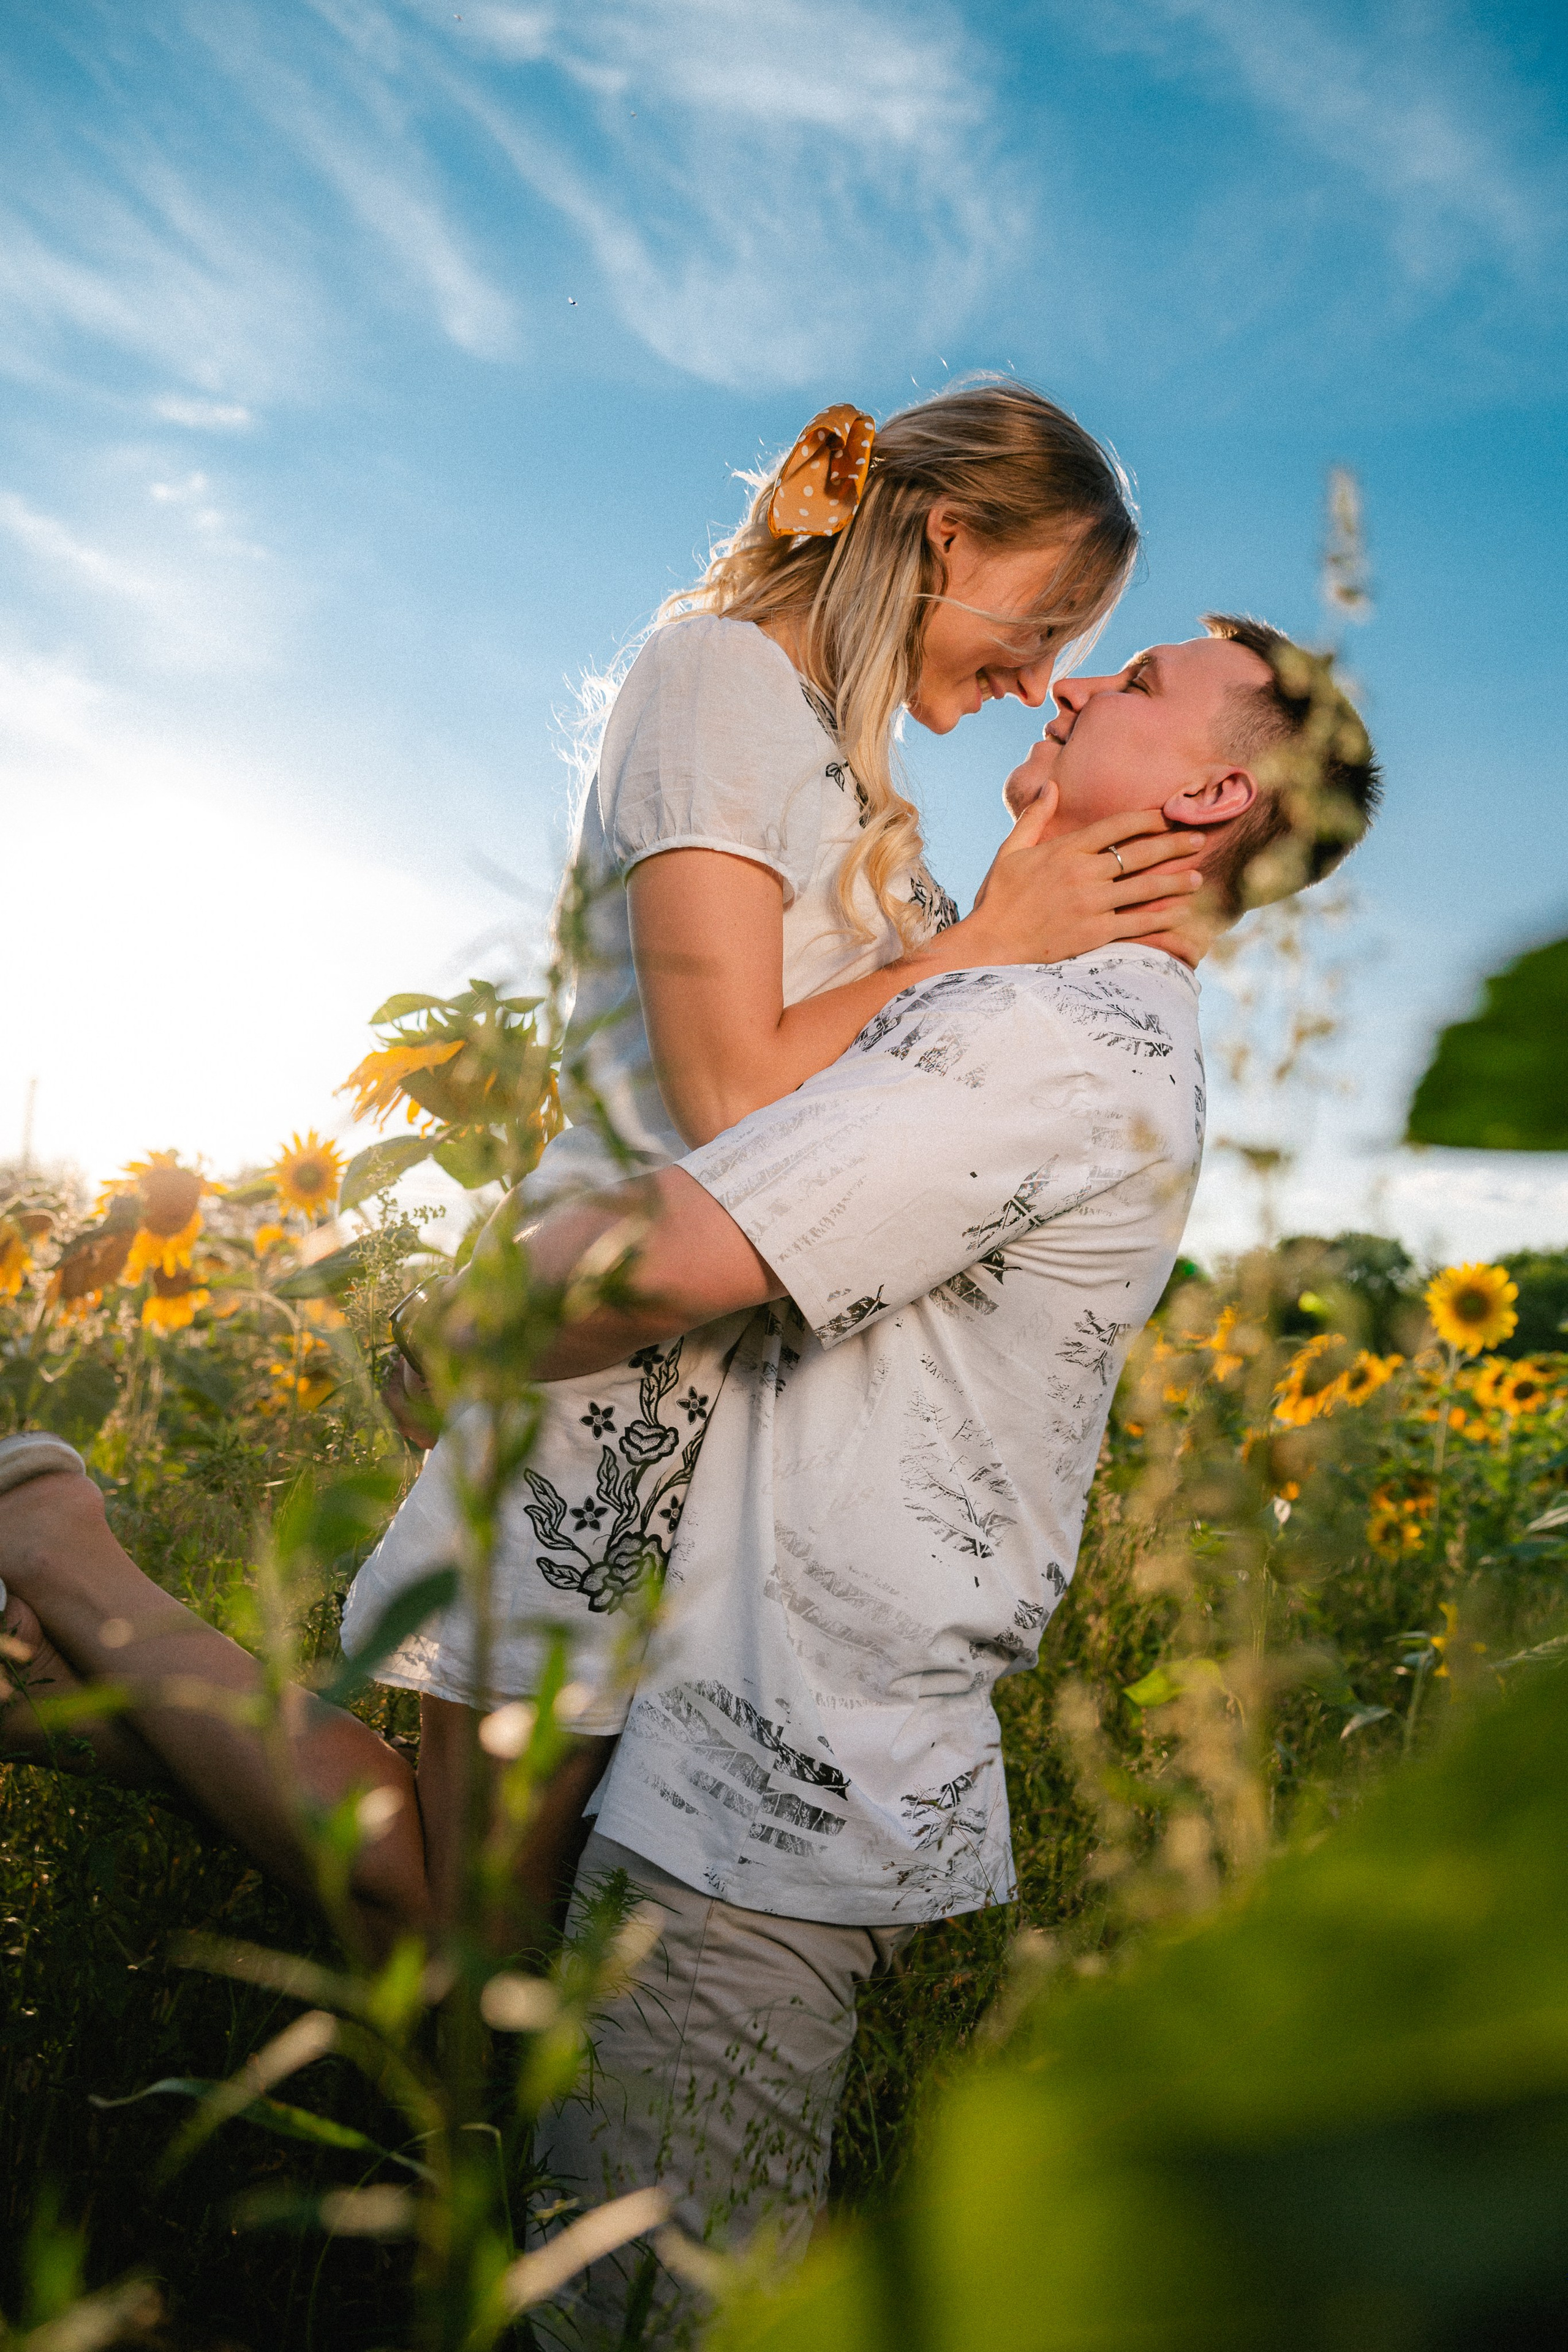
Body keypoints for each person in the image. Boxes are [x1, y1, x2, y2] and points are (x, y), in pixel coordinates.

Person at [0, 618, 1378, 2332]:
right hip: (710, 1718)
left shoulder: (1065, 1039)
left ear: (1218, 791)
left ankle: (74, 1600)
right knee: (511, 2062)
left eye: (1144, 680)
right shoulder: (1005, 984)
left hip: (775, 1810)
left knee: (652, 2305)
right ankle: (76, 1613)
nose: (1079, 683)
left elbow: (661, 1262)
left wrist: (482, 1315)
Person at [334, 381, 1212, 1911]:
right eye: (1046, 619)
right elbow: (732, 1091)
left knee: (501, 1917)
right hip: (592, 1376)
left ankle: (70, 1667)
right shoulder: (713, 682)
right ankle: (70, 1563)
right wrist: (981, 943)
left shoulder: (839, 768)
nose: (1036, 682)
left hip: (717, 1432)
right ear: (946, 536)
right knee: (460, 1922)